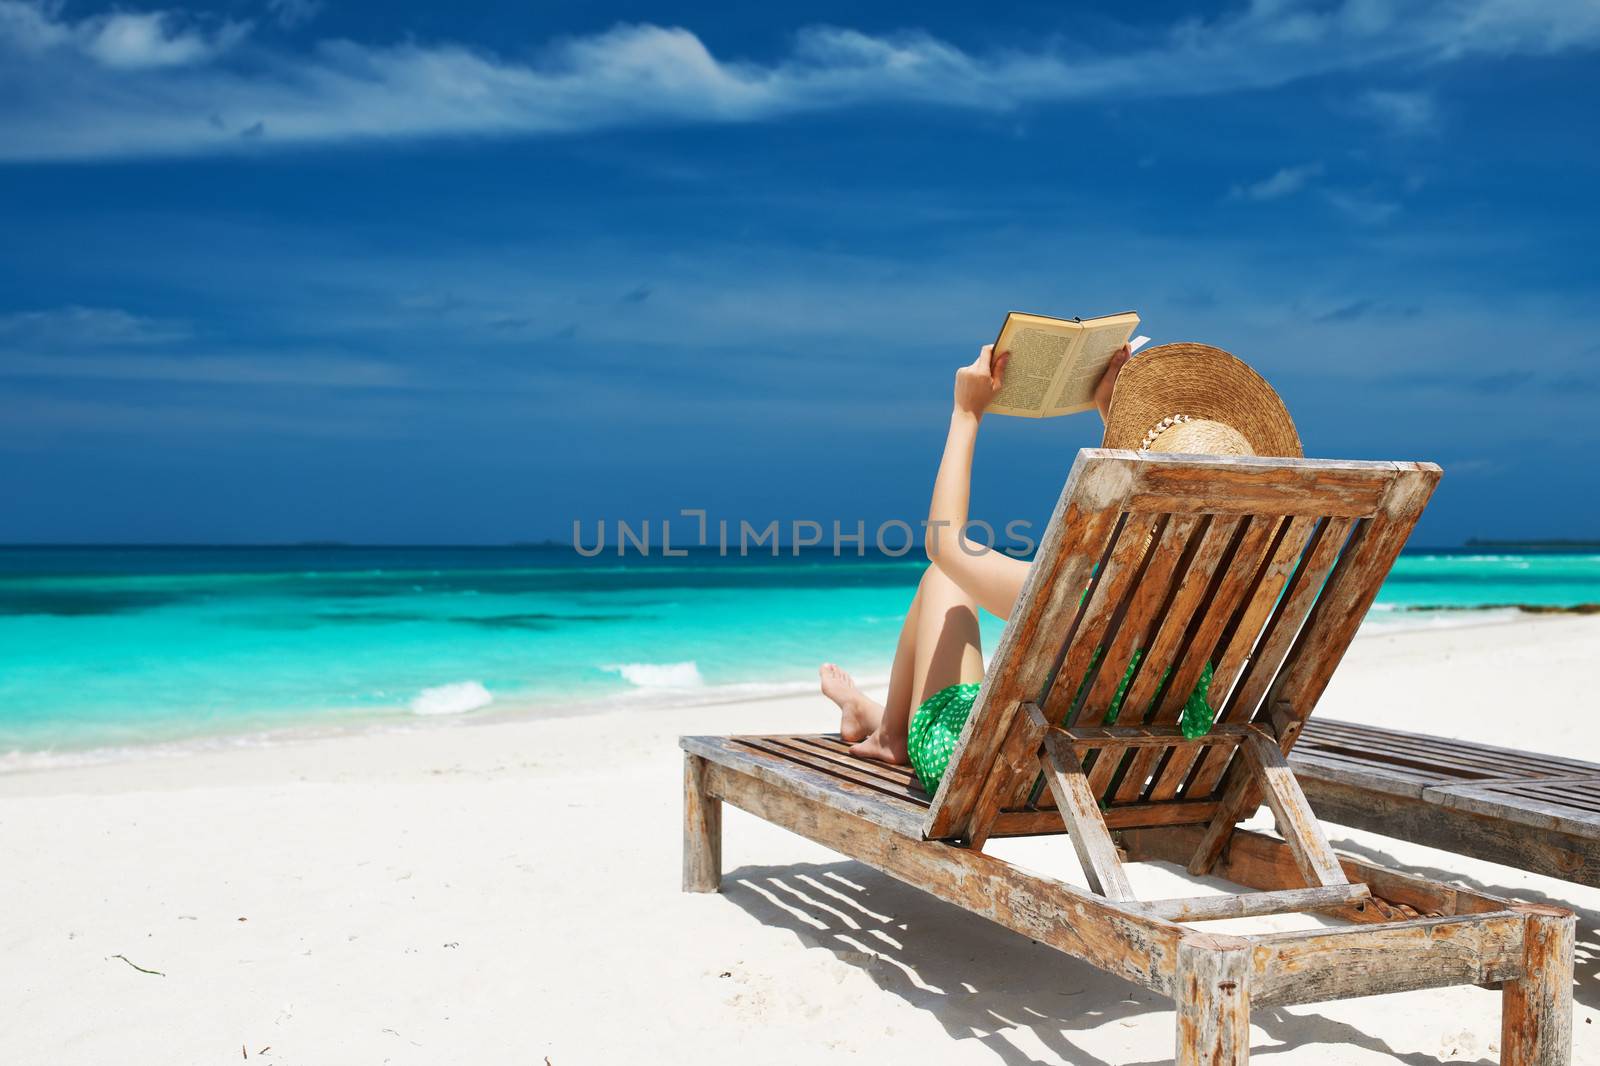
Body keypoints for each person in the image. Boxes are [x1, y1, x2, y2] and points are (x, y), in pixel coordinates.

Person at [819, 339, 1302, 795]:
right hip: (1115, 776)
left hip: (1010, 776)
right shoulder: (1235, 601)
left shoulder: (1093, 597)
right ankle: (874, 719)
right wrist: (1111, 416)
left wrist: (967, 413)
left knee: (944, 577)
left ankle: (888, 736)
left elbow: (945, 544)